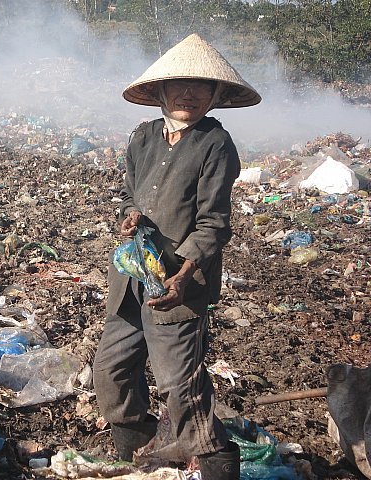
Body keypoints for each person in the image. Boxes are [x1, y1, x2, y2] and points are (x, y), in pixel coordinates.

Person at [92, 34, 261, 480]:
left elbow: (213, 223)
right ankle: (141, 446)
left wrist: (184, 272)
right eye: (180, 86)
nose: (190, 94)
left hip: (178, 286)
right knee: (111, 372)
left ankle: (216, 463)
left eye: (201, 87)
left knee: (180, 386)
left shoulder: (214, 145)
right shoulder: (144, 136)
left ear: (217, 96)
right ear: (161, 93)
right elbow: (125, 193)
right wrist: (128, 214)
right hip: (131, 279)